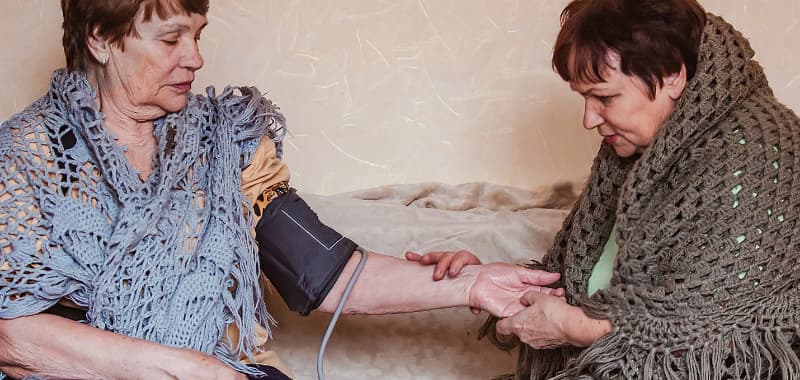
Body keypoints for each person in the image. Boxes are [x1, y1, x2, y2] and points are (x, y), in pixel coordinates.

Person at [0, 1, 565, 379]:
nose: (194, 58)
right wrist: (191, 370)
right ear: (101, 38)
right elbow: (13, 336)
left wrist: (472, 285)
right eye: (171, 39)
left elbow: (326, 273)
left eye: (198, 35)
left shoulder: (228, 141)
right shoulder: (24, 160)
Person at [486, 0, 800, 379]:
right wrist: (480, 280)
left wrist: (573, 327)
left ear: (673, 76)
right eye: (582, 97)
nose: (588, 119)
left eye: (604, 97)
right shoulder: (641, 151)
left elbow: (715, 328)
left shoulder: (757, 153)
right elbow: (596, 282)